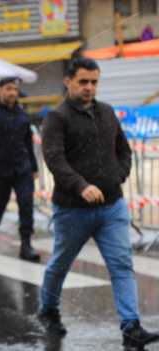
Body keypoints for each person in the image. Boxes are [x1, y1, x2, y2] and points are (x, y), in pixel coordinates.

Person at [38, 57, 159, 349]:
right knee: (60, 264)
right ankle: (49, 309)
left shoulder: (106, 113)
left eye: (94, 82)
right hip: (72, 210)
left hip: (112, 209)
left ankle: (131, 327)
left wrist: (116, 176)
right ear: (68, 81)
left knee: (121, 264)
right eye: (83, 82)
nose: (89, 87)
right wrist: (82, 186)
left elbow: (124, 151)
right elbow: (54, 159)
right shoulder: (57, 118)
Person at [0, 77, 41, 262]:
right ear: (0, 90)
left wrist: (34, 166)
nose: (12, 93)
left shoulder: (22, 114)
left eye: (15, 89)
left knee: (26, 205)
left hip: (23, 169)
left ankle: (26, 244)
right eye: (8, 89)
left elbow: (28, 143)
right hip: (0, 170)